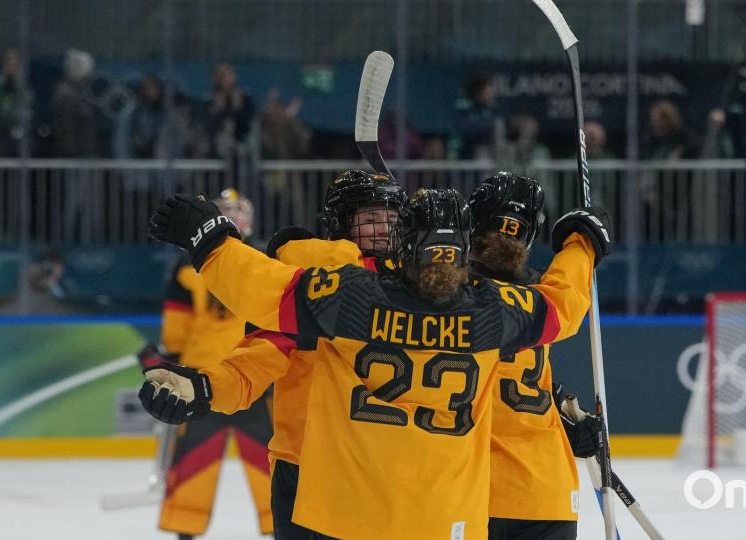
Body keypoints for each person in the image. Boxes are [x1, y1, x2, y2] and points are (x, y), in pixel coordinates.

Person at [141, 188, 611, 539]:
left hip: (344, 514)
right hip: (444, 519)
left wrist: (213, 240)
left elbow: (263, 289)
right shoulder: (492, 309)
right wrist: (581, 244)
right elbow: (562, 306)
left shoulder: (351, 296)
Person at [190, 170, 406, 539]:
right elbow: (260, 358)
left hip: (382, 470)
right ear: (340, 224)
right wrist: (204, 386)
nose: (384, 229)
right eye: (370, 219)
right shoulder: (429, 289)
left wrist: (299, 252)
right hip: (315, 465)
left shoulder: (306, 282)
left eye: (392, 219)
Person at [468, 173, 599, 540]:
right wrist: (582, 244)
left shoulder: (448, 301)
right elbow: (566, 298)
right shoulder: (537, 298)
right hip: (546, 493)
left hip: (475, 495)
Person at [153, 189, 274, 540]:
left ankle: (187, 528)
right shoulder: (265, 258)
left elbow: (176, 327)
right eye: (229, 212)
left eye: (239, 211)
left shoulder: (191, 262)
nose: (236, 218)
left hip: (219, 377)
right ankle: (276, 524)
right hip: (239, 374)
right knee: (261, 459)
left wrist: (172, 358)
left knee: (203, 459)